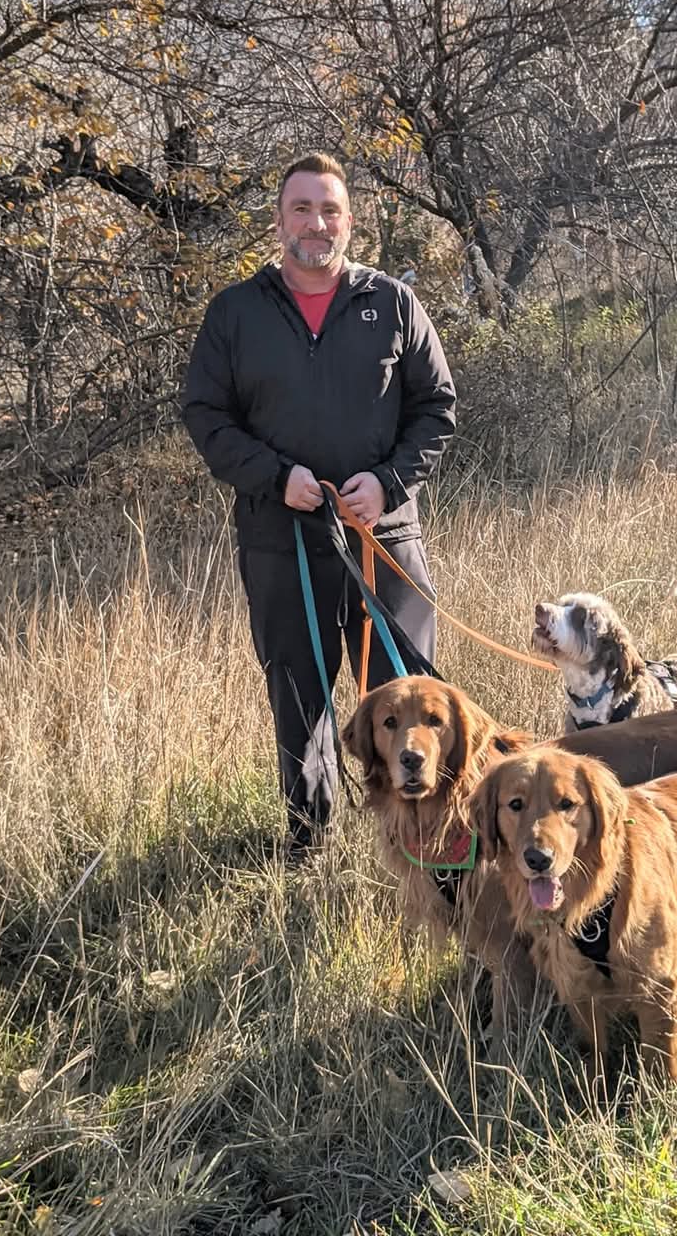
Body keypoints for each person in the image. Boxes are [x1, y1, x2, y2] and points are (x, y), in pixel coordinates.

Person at [182, 152, 456, 857]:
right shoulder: (236, 312)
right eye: (301, 208)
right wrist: (275, 479)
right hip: (282, 540)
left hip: (383, 538)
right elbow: (206, 416)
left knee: (408, 699)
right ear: (279, 221)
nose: (316, 223)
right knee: (299, 698)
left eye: (329, 209)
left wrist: (389, 483)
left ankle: (421, 844)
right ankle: (308, 842)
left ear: (350, 221)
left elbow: (436, 408)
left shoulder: (392, 302)